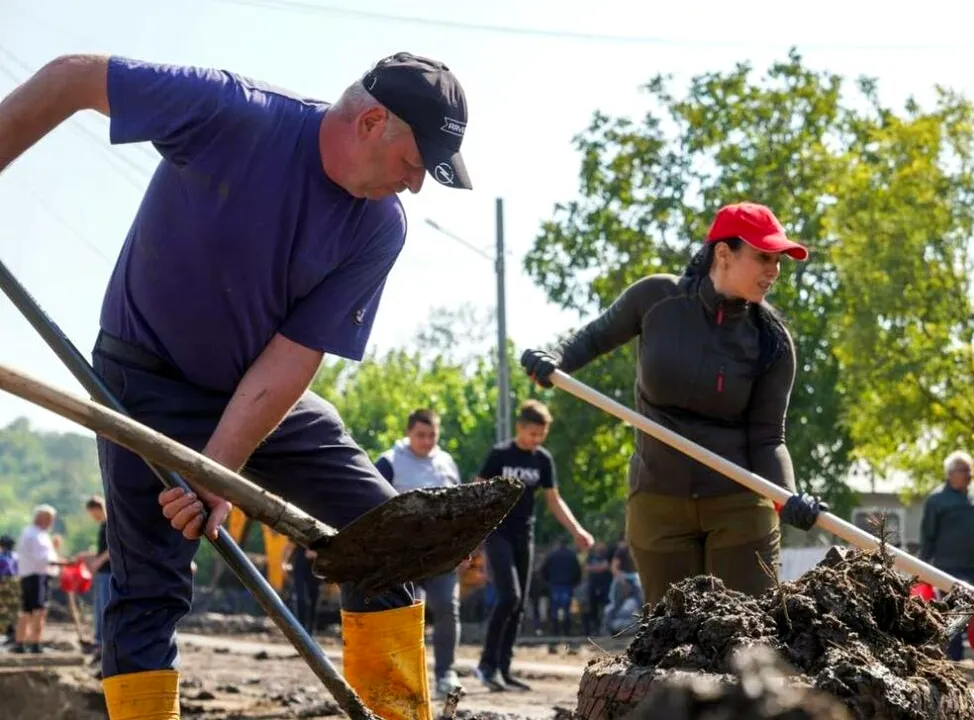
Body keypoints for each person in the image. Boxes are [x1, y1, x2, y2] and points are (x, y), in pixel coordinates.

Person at [0, 49, 472, 719]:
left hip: (259, 396)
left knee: (385, 538)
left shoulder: (378, 227)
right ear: (372, 123)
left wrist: (215, 473)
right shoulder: (231, 112)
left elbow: (292, 356)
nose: (416, 186)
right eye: (414, 164)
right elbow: (74, 78)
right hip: (145, 379)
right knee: (148, 591)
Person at [520, 202, 826, 606]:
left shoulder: (771, 341)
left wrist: (788, 497)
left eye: (779, 260)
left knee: (749, 641)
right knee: (669, 642)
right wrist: (554, 357)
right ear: (723, 253)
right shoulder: (656, 299)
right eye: (764, 257)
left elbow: (769, 438)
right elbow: (593, 338)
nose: (775, 270)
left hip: (739, 508)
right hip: (658, 502)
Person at [472, 399, 594, 692]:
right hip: (498, 532)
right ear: (520, 428)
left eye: (541, 435)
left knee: (519, 604)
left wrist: (577, 530)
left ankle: (504, 668)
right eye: (532, 434)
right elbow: (476, 490)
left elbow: (554, 500)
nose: (536, 440)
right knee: (508, 596)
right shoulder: (500, 455)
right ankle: (486, 666)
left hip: (524, 535)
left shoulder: (543, 460)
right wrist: (472, 534)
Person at [374, 408, 464, 696]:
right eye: (420, 435)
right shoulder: (389, 462)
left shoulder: (447, 462)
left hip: (441, 553)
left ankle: (445, 673)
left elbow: (460, 508)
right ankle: (403, 676)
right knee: (407, 614)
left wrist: (463, 544)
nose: (426, 441)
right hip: (403, 554)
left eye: (432, 435)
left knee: (447, 608)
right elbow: (373, 506)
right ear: (408, 432)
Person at [918, 450, 974, 661]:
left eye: (970, 469)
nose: (969, 474)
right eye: (964, 470)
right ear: (950, 474)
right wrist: (922, 566)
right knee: (954, 615)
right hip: (948, 569)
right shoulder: (937, 500)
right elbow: (928, 535)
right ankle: (954, 662)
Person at [14, 505, 62, 654]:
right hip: (36, 575)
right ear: (42, 518)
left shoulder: (37, 534)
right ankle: (35, 643)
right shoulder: (34, 535)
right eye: (50, 519)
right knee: (38, 610)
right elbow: (43, 559)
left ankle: (23, 642)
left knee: (28, 610)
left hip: (33, 575)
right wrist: (65, 562)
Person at [77, 496, 112, 660]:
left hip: (109, 571)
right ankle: (98, 641)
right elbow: (102, 551)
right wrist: (89, 556)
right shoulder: (103, 526)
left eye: (93, 513)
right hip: (102, 572)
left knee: (105, 607)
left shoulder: (111, 524)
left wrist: (97, 561)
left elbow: (113, 547)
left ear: (98, 508)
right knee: (99, 607)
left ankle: (103, 643)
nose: (93, 517)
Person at [539, 538, 582, 638]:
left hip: (555, 585)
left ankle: (555, 632)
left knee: (554, 610)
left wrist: (547, 582)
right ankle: (567, 632)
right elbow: (577, 570)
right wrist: (575, 582)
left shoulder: (552, 555)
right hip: (567, 585)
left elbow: (543, 570)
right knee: (567, 609)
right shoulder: (572, 556)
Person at [282, 541, 321, 635]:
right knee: (300, 598)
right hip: (300, 564)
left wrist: (318, 553)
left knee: (313, 599)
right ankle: (300, 630)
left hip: (315, 566)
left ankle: (310, 632)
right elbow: (290, 544)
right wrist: (284, 562)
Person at [582, 542, 613, 637]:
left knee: (606, 608)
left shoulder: (607, 556)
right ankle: (595, 629)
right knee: (593, 608)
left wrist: (594, 568)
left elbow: (607, 567)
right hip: (593, 586)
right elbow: (586, 568)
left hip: (605, 586)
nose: (600, 547)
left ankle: (606, 629)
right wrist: (599, 568)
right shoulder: (591, 557)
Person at [0, 535, 18, 646]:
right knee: (12, 610)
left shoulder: (2, 557)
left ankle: (9, 633)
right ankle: (12, 634)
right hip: (15, 584)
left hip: (4, 583)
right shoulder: (16, 556)